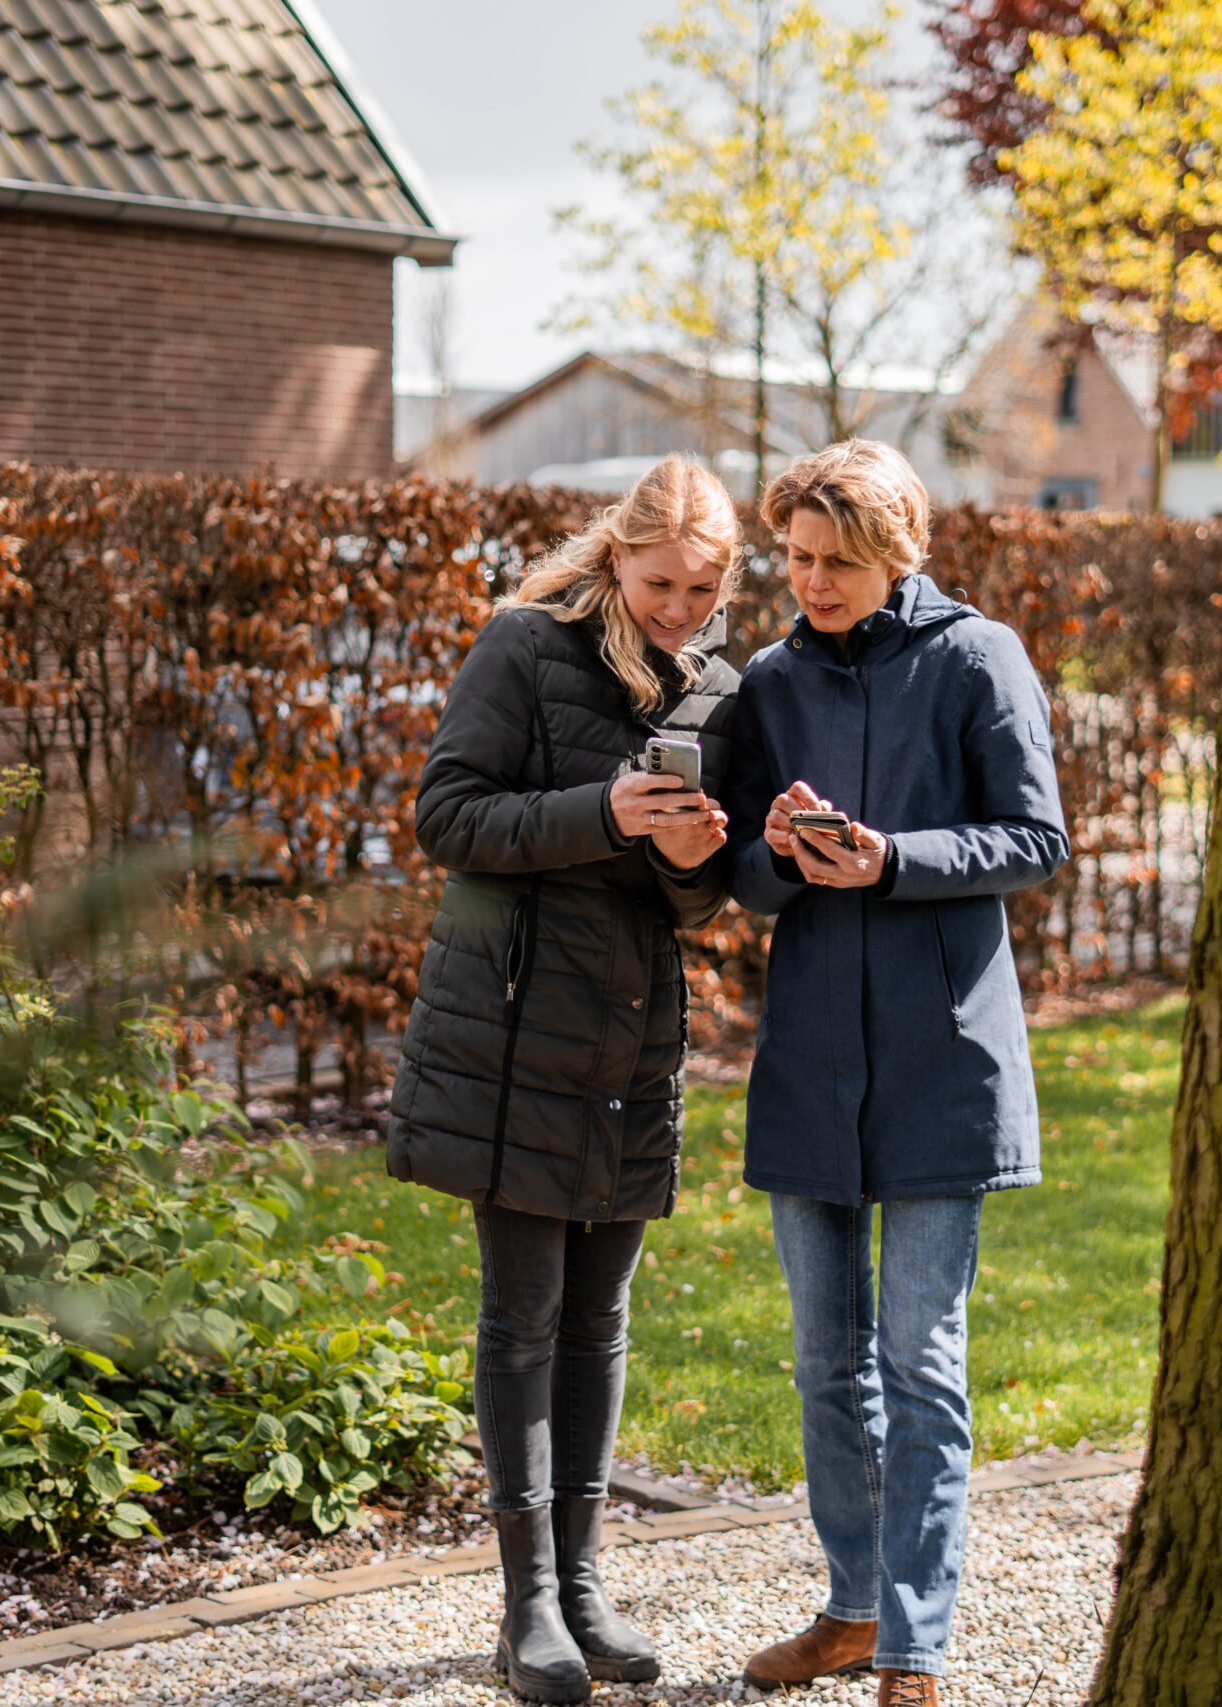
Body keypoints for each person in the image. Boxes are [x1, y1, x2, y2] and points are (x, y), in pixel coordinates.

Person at [385, 454, 743, 1704]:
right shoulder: (523, 644)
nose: (680, 610)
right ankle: (525, 1604)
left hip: (632, 1043)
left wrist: (698, 853)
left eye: (704, 589)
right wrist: (605, 811)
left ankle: (587, 1590)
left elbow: (689, 902)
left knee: (600, 1321)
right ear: (613, 559)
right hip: (513, 1033)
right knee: (523, 1317)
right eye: (659, 584)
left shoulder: (714, 684)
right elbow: (447, 818)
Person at [719, 441, 1067, 1707]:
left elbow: (1036, 837)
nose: (809, 582)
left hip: (940, 1060)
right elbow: (737, 882)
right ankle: (852, 1607)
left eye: (837, 562)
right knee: (825, 1359)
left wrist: (891, 859)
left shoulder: (980, 657)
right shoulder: (767, 680)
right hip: (811, 1060)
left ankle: (915, 1641)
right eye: (798, 559)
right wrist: (771, 851)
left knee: (921, 1356)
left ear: (896, 553)